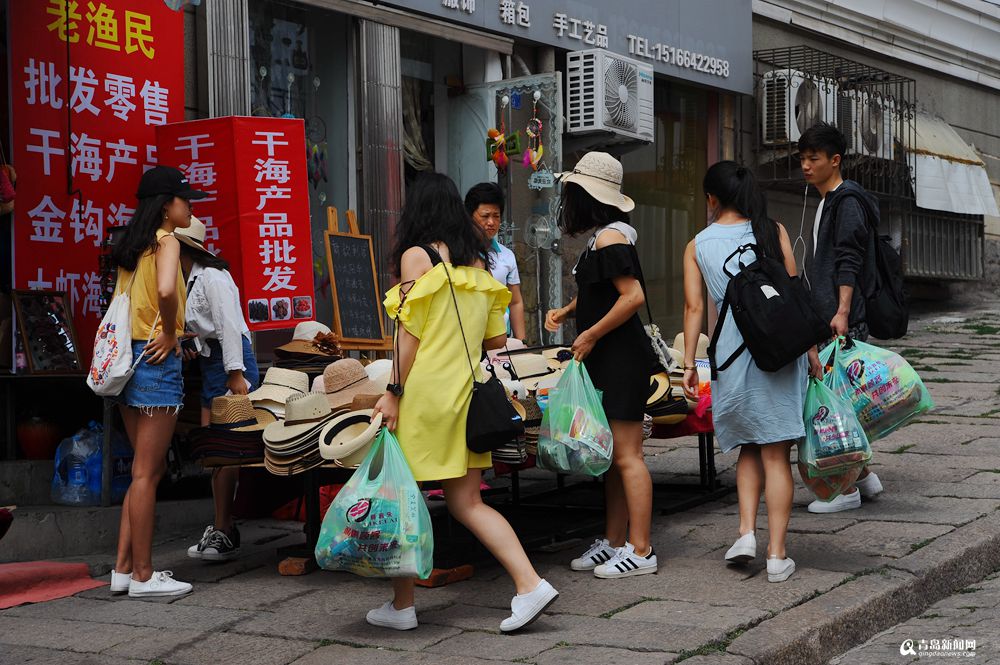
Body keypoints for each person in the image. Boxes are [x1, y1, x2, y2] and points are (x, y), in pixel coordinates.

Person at [372, 172, 558, 632]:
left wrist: (392, 391)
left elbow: (407, 335)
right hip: (468, 393)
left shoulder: (417, 257)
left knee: (404, 498)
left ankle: (402, 607)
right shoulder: (478, 267)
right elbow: (496, 337)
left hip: (426, 395)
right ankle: (529, 583)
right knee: (468, 502)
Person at [682, 160, 802, 583]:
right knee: (775, 452)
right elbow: (793, 295)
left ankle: (746, 533)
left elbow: (695, 308)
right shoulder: (774, 231)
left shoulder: (698, 245)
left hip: (731, 355)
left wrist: (687, 366)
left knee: (749, 446)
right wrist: (815, 352)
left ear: (711, 199)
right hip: (779, 351)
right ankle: (777, 555)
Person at [545, 151, 658, 579]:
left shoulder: (611, 238)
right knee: (612, 456)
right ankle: (614, 541)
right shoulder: (605, 236)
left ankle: (641, 549)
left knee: (628, 455)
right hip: (609, 357)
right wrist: (569, 311)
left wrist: (590, 333)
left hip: (620, 357)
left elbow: (632, 296)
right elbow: (604, 292)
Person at [108, 166, 206, 598]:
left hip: (127, 362)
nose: (190, 205)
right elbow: (167, 291)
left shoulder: (134, 247)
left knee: (141, 471)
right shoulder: (167, 242)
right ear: (166, 205)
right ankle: (145, 576)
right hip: (155, 360)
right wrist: (170, 331)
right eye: (185, 199)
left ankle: (123, 568)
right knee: (148, 473)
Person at [798, 122, 884, 514]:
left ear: (835, 160)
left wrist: (842, 311)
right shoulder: (828, 201)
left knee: (832, 409)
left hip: (840, 319)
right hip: (832, 316)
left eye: (813, 158)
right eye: (802, 158)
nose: (805, 166)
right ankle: (865, 479)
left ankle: (844, 489)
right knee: (842, 404)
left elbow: (849, 259)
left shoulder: (846, 201)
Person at [176, 217, 260, 561]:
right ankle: (222, 527)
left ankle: (225, 529)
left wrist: (236, 373)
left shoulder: (212, 276)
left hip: (231, 362)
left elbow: (228, 324)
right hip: (213, 362)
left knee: (226, 450)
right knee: (215, 452)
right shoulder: (185, 278)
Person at [465, 182, 527, 340]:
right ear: (470, 216)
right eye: (485, 216)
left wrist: (521, 343)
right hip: (467, 338)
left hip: (500, 339)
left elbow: (515, 302)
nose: (491, 222)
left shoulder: (507, 256)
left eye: (496, 216)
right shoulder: (458, 253)